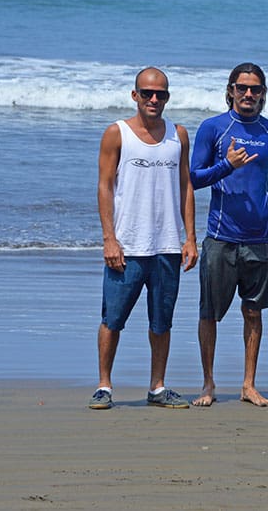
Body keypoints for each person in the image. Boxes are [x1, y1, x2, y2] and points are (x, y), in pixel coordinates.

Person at [89, 67, 198, 410]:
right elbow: (105, 187)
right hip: (128, 246)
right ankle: (104, 386)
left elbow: (186, 187)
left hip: (167, 246)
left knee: (161, 321)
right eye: (147, 93)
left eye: (161, 94)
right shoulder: (116, 133)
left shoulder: (178, 135)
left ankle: (157, 387)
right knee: (113, 319)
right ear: (134, 95)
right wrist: (109, 239)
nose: (154, 99)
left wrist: (190, 238)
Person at [189, 62, 268, 407]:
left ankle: (248, 385)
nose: (249, 94)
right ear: (231, 89)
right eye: (242, 87)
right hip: (220, 237)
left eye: (256, 89)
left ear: (263, 93)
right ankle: (208, 384)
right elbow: (193, 178)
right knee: (209, 313)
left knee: (254, 312)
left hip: (258, 239)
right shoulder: (213, 128)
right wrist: (227, 165)